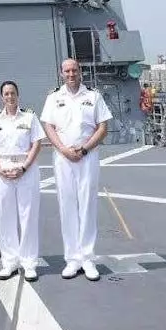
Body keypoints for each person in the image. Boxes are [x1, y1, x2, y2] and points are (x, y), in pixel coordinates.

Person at [40, 58, 111, 280]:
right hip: (63, 158)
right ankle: (72, 259)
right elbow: (48, 126)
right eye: (67, 71)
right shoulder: (54, 97)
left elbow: (103, 127)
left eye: (74, 70)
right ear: (61, 73)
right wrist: (63, 149)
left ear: (80, 72)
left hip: (87, 156)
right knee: (67, 205)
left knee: (87, 205)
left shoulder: (93, 96)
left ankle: (87, 258)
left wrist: (85, 148)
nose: (71, 74)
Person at [0, 81, 45, 281]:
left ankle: (29, 263)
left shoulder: (29, 116)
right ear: (1, 97)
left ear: (18, 95)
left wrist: (24, 167)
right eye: (6, 93)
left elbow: (37, 143)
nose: (9, 96)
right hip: (2, 170)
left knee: (28, 216)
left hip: (25, 169)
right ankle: (9, 262)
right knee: (6, 217)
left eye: (12, 93)